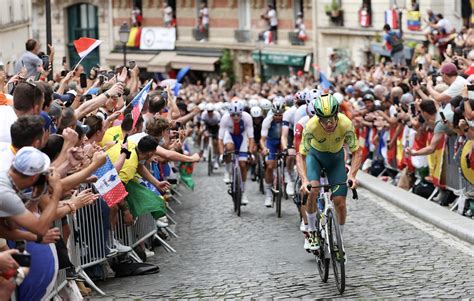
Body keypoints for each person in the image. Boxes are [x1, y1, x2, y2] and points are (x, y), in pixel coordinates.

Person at [299, 94, 362, 254]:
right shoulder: (311, 126)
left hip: (336, 159)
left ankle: (338, 239)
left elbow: (356, 151)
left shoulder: (346, 123)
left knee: (340, 201)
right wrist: (304, 179)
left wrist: (353, 175)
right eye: (323, 119)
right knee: (312, 190)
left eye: (331, 119)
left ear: (336, 115)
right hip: (315, 157)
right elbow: (301, 155)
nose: (328, 123)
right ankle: (312, 230)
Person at [218, 102, 254, 205]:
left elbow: (251, 137)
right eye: (233, 115)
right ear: (229, 114)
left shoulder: (247, 118)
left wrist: (250, 152)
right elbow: (220, 139)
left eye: (238, 114)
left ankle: (243, 192)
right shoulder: (225, 119)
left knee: (243, 165)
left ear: (242, 113)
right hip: (230, 135)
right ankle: (228, 171)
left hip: (242, 137)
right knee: (229, 148)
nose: (236, 117)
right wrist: (221, 154)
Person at [261, 97, 285, 207]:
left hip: (282, 141)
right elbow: (262, 139)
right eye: (276, 115)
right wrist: (264, 148)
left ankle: (288, 176)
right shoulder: (268, 120)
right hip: (271, 142)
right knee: (270, 166)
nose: (278, 117)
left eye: (280, 115)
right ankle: (269, 194)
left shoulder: (286, 119)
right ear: (273, 113)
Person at [200, 103, 221, 169]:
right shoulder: (204, 114)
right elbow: (202, 125)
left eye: (211, 111)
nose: (210, 113)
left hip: (216, 127)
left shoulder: (217, 115)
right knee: (205, 136)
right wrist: (203, 131)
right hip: (208, 126)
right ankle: (205, 150)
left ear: (213, 111)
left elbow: (220, 126)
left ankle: (216, 160)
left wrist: (219, 134)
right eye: (208, 111)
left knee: (216, 143)